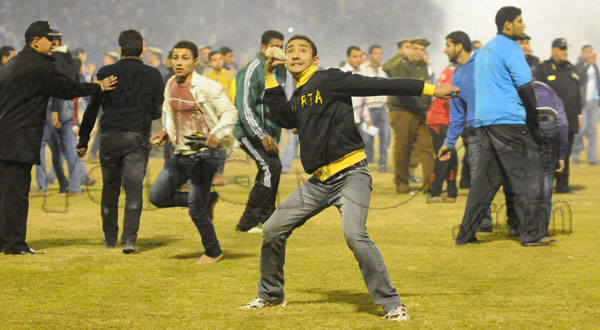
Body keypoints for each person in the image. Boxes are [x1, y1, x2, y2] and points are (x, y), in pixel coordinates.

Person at [239, 34, 458, 321]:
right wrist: (269, 75)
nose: (294, 54)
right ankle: (270, 295)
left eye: (302, 50)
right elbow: (283, 116)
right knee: (272, 229)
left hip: (351, 174)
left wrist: (431, 89)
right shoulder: (300, 93)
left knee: (355, 235)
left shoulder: (329, 79)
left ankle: (392, 303)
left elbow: (379, 84)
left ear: (314, 59)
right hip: (319, 182)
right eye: (290, 50)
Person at [0, 20, 116, 255]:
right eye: (48, 38)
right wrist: (97, 88)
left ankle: (5, 241)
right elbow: (67, 89)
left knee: (6, 192)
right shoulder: (37, 65)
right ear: (35, 41)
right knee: (17, 193)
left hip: (6, 134)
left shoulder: (12, 63)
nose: (54, 43)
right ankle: (14, 244)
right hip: (19, 137)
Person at [449, 7, 556, 246]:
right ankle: (533, 234)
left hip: (486, 122)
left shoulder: (485, 50)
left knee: (484, 183)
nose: (524, 25)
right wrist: (533, 119)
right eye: (520, 21)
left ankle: (465, 234)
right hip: (509, 120)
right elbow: (526, 87)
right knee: (528, 175)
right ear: (508, 25)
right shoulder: (511, 48)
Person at [148, 40, 238, 264]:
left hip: (203, 156)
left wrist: (216, 135)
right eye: (176, 58)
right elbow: (168, 111)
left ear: (196, 62)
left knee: (195, 210)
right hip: (178, 153)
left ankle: (213, 251)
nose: (179, 62)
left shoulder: (207, 87)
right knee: (157, 197)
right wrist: (166, 132)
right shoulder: (170, 83)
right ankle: (205, 201)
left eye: (185, 58)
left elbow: (230, 113)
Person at [77, 29, 164, 254]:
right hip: (136, 136)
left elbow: (93, 108)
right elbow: (157, 110)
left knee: (110, 187)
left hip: (109, 136)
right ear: (142, 49)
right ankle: (129, 240)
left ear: (120, 48)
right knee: (134, 189)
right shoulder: (154, 75)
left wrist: (84, 139)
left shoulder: (106, 72)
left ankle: (109, 238)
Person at [232, 30, 287, 234]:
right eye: (274, 46)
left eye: (282, 46)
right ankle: (247, 223)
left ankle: (267, 218)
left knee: (275, 168)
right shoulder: (251, 70)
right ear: (263, 48)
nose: (278, 50)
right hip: (248, 132)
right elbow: (244, 107)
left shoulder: (281, 70)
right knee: (268, 168)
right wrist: (261, 135)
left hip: (270, 134)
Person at [386, 37, 435, 194]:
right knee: (403, 148)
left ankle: (429, 186)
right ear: (409, 50)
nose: (419, 52)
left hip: (420, 111)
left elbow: (426, 87)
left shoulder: (423, 66)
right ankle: (402, 184)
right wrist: (423, 104)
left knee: (427, 147)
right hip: (402, 110)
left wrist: (427, 107)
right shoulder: (399, 66)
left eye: (422, 50)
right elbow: (403, 91)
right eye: (416, 49)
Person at [534, 38, 582, 193]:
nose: (564, 52)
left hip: (570, 118)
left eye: (565, 48)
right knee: (548, 154)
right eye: (561, 49)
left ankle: (562, 186)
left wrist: (579, 114)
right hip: (550, 121)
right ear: (553, 50)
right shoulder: (543, 68)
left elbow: (577, 94)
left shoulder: (571, 68)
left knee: (565, 154)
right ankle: (544, 187)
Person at [204, 50, 237, 186]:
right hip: (209, 115)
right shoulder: (206, 77)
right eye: (215, 59)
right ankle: (208, 175)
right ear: (210, 62)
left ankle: (219, 175)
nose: (218, 61)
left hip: (224, 116)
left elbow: (234, 95)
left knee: (222, 146)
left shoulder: (230, 76)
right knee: (209, 145)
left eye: (220, 59)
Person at [426, 57, 456, 202]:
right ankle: (436, 193)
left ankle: (451, 192)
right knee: (444, 155)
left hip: (439, 118)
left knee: (452, 156)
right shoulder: (456, 74)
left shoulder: (447, 70)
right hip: (441, 119)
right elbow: (450, 99)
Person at [360, 45, 391, 172]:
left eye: (381, 53)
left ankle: (383, 164)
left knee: (385, 136)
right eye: (376, 53)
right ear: (370, 55)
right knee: (366, 138)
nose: (379, 55)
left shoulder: (384, 71)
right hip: (368, 109)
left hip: (382, 108)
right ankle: (366, 162)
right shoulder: (363, 70)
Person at [572, 45, 599, 165]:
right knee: (580, 130)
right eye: (587, 52)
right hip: (582, 103)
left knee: (593, 131)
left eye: (590, 51)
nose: (589, 54)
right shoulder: (578, 67)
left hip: (593, 102)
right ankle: (575, 154)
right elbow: (579, 81)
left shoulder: (595, 67)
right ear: (582, 54)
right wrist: (587, 65)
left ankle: (592, 158)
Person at [340, 46, 371, 145]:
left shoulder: (363, 73)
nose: (358, 59)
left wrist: (367, 118)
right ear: (347, 58)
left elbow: (364, 100)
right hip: (343, 119)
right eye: (355, 56)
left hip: (358, 119)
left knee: (362, 143)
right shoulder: (340, 73)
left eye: (360, 56)